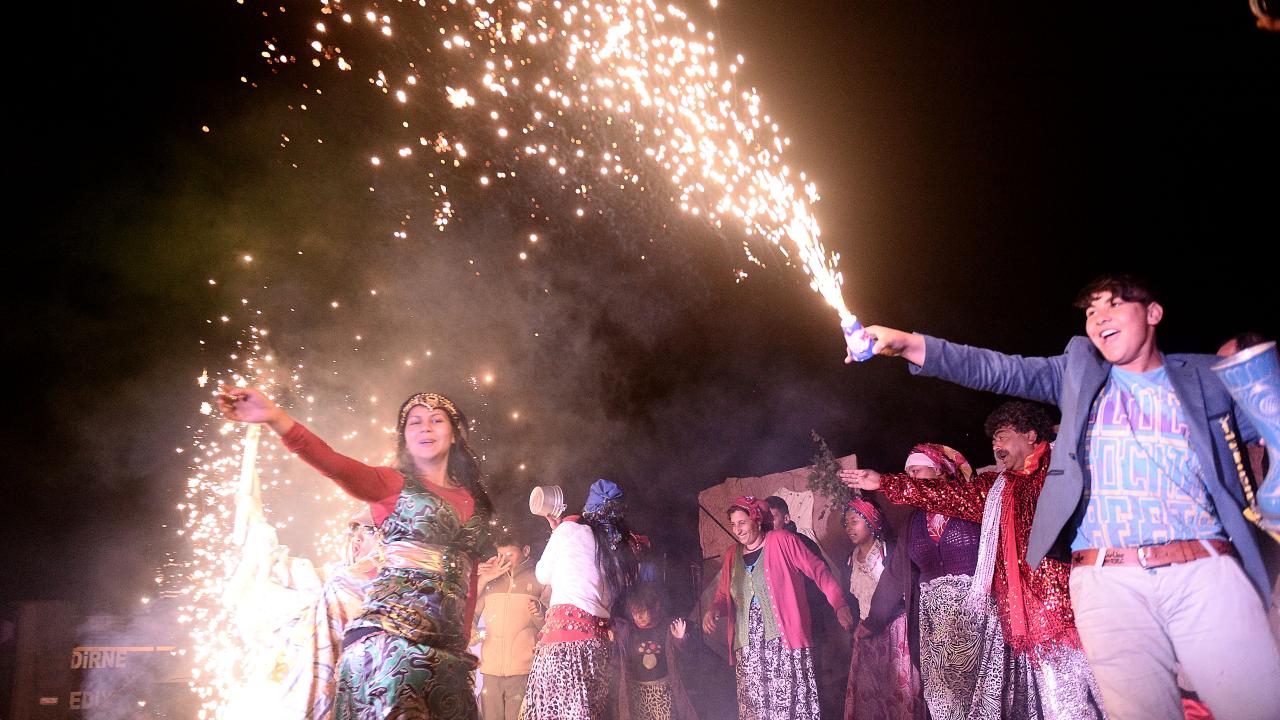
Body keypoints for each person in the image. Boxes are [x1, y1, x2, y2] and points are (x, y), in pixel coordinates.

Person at [850, 273, 1280, 720]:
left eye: (1114, 304)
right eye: (1092, 310)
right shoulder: (1078, 376)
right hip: (1108, 583)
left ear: (1153, 313)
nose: (1100, 317)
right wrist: (907, 344)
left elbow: (1267, 423)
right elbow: (996, 368)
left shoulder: (1205, 377)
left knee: (1256, 707)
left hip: (1201, 570)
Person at [219, 387, 494, 719]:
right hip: (389, 645)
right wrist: (275, 418)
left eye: (437, 420)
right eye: (415, 422)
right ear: (405, 439)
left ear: (454, 434)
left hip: (446, 658)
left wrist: (461, 644)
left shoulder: (474, 502)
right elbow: (333, 464)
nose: (426, 427)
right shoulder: (391, 484)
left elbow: (469, 577)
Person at [844, 401, 1106, 718]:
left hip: (1062, 608)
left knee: (1097, 698)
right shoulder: (994, 490)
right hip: (994, 624)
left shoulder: (1060, 471)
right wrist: (885, 482)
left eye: (1002, 436)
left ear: (1030, 435)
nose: (996, 446)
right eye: (993, 440)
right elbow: (938, 505)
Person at [703, 496, 855, 720]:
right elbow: (724, 595)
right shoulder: (731, 555)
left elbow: (819, 572)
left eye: (742, 523)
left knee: (788, 707)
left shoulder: (782, 540)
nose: (737, 530)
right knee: (756, 708)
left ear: (756, 520)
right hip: (749, 649)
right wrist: (714, 609)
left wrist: (839, 604)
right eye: (733, 524)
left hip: (783, 644)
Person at [861, 444, 980, 720]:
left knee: (980, 694)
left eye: (916, 470)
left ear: (940, 471)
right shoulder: (914, 523)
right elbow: (895, 573)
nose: (910, 478)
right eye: (907, 473)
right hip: (935, 628)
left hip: (976, 619)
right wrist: (873, 620)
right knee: (944, 699)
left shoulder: (970, 507)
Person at [521, 479, 640, 720]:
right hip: (596, 647)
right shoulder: (620, 549)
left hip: (563, 643)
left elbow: (542, 574)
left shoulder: (569, 530)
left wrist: (558, 533)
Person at [842, 497, 921, 720]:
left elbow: (902, 589)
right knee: (873, 695)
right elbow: (851, 600)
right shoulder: (849, 562)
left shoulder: (889, 552)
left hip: (896, 632)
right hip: (866, 635)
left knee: (900, 693)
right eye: (846, 523)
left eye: (855, 521)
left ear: (872, 521)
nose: (849, 528)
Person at [474, 534, 545, 720]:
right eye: (500, 555)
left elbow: (548, 627)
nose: (504, 561)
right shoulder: (490, 582)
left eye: (509, 555)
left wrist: (540, 612)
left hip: (523, 670)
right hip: (490, 670)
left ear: (526, 551)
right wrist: (482, 580)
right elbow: (470, 614)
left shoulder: (540, 578)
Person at [614, 583, 699, 720]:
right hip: (638, 692)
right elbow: (618, 649)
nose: (638, 617)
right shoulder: (628, 630)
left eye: (641, 612)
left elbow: (686, 654)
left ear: (656, 607)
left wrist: (680, 639)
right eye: (634, 613)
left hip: (662, 690)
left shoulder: (667, 627)